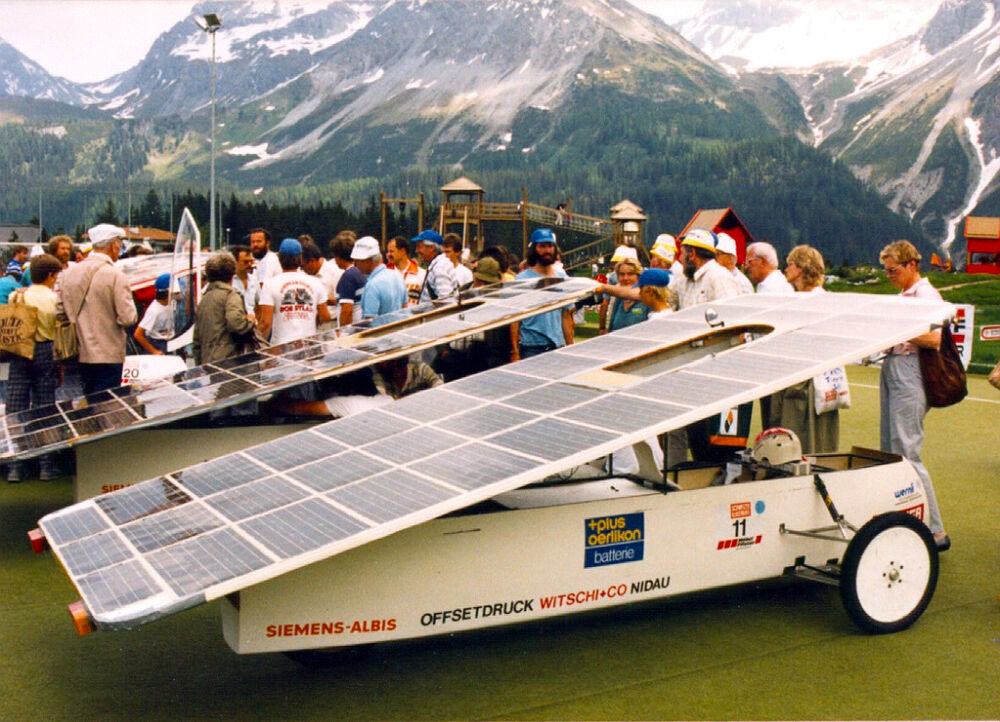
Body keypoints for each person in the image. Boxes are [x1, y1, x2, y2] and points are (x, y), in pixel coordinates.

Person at [879, 240, 949, 550]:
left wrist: (893, 331)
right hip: (896, 366)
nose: (890, 275)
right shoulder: (906, 295)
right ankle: (903, 517)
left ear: (911, 265)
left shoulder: (925, 294)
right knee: (892, 451)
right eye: (886, 271)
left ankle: (935, 531)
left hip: (911, 369)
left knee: (907, 451)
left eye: (894, 270)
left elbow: (934, 338)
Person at [762, 245, 839, 454]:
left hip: (810, 383)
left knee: (805, 438)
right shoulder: (798, 298)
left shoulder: (819, 300)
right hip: (791, 377)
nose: (786, 269)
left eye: (791, 265)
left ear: (802, 268)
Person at [56, 224, 138, 395]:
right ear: (113, 245)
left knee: (89, 407)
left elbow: (59, 312)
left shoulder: (68, 274)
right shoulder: (116, 275)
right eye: (119, 244)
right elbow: (128, 318)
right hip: (109, 353)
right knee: (108, 408)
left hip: (79, 352)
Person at [5, 254, 63, 482]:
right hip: (45, 351)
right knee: (45, 407)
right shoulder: (53, 299)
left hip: (20, 351)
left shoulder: (16, 296)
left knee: (16, 406)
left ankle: (15, 465)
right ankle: (45, 465)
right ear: (50, 275)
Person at [510, 228, 574, 360]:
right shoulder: (522, 280)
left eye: (550, 246)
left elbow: (566, 316)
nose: (547, 251)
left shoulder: (562, 279)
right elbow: (515, 319)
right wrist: (515, 351)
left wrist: (571, 348)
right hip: (531, 348)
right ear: (534, 249)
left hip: (557, 346)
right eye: (542, 246)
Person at [257, 238, 332, 345]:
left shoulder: (270, 284)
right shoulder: (315, 283)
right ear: (300, 258)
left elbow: (265, 323)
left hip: (280, 348)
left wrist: (257, 347)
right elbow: (325, 317)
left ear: (279, 259)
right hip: (308, 346)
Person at [193, 252, 258, 365]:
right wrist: (250, 320)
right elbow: (236, 324)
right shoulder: (230, 295)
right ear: (232, 273)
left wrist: (200, 365)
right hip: (228, 361)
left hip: (208, 361)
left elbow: (197, 340)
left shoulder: (204, 299)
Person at [354, 236, 407, 319]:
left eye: (357, 261)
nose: (355, 265)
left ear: (367, 261)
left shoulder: (372, 285)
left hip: (382, 331)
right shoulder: (397, 276)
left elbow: (369, 321)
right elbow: (405, 308)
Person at [601, 258, 648, 334]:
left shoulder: (647, 299)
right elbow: (611, 326)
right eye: (622, 274)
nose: (626, 278)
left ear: (638, 276)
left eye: (630, 274)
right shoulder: (618, 298)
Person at [133, 273, 173, 354]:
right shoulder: (154, 311)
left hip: (170, 342)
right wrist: (154, 351)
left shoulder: (172, 304)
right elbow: (138, 334)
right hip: (157, 343)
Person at [414, 229, 457, 303]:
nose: (416, 250)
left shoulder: (439, 268)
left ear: (431, 248)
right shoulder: (440, 264)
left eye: (419, 247)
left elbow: (446, 300)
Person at [334, 234, 367, 327]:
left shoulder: (348, 276)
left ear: (339, 257)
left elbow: (346, 311)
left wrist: (344, 335)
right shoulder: (360, 271)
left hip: (353, 332)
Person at [386, 236, 426, 306]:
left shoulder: (421, 274)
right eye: (388, 252)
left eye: (391, 251)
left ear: (403, 251)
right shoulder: (385, 274)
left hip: (413, 316)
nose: (388, 255)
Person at [300, 239, 340, 308]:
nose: (302, 270)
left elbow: (341, 300)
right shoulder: (302, 274)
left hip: (331, 317)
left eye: (302, 266)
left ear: (312, 261)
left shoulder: (335, 272)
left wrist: (320, 299)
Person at [249, 228, 280, 295]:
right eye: (253, 242)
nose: (255, 244)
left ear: (267, 243)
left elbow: (263, 288)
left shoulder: (269, 259)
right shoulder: (255, 260)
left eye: (259, 241)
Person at [229, 244, 258, 315]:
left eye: (251, 261)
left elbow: (259, 304)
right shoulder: (227, 280)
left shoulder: (254, 280)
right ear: (235, 262)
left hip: (252, 323)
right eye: (245, 262)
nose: (249, 264)